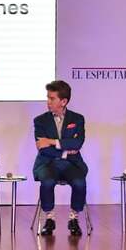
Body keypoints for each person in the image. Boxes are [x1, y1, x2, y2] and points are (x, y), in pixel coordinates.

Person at [32, 80, 88, 236]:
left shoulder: (77, 119)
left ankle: (74, 219)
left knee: (79, 182)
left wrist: (52, 142)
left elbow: (77, 143)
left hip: (72, 164)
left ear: (63, 101)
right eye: (48, 98)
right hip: (48, 163)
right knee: (47, 181)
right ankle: (49, 218)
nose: (48, 102)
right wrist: (65, 151)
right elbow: (42, 149)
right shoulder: (40, 120)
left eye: (52, 98)